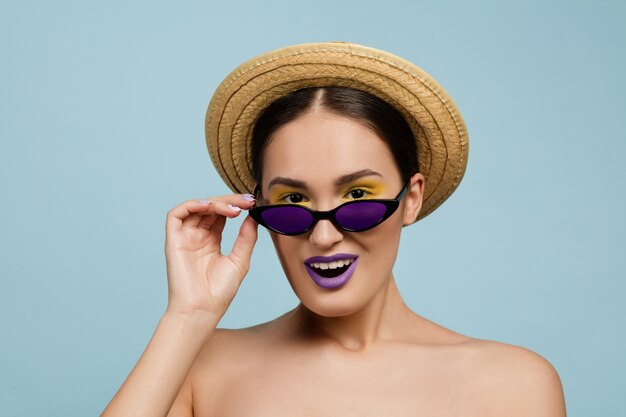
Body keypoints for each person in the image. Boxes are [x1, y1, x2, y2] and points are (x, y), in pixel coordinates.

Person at [101, 42, 566, 416]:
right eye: (293, 201)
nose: (323, 237)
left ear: (412, 197)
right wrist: (188, 317)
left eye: (358, 197)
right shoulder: (201, 366)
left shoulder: (512, 384)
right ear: (257, 206)